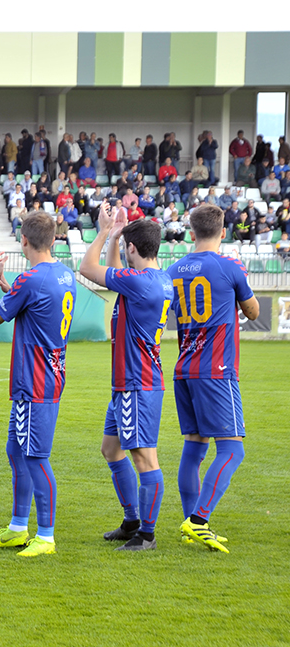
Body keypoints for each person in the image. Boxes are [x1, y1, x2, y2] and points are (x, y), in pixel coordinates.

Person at [79, 204, 174, 551]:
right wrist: (117, 238)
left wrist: (105, 231)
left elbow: (88, 268)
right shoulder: (154, 280)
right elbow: (116, 271)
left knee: (144, 457)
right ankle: (132, 520)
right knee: (111, 449)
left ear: (133, 248)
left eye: (124, 246)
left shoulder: (141, 283)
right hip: (129, 383)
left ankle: (146, 535)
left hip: (137, 383)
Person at [165, 204, 259, 552]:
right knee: (233, 450)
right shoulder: (229, 266)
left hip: (184, 368)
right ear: (223, 232)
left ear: (191, 233)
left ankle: (191, 524)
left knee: (194, 445)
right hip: (217, 370)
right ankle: (199, 520)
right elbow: (252, 311)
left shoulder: (173, 270)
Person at [0, 212, 76, 557]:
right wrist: (13, 289)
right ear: (53, 239)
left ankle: (46, 536)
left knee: (36, 457)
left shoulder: (31, 279)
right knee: (16, 450)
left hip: (34, 380)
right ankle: (18, 527)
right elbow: (38, 305)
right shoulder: (64, 273)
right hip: (47, 375)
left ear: (23, 241)